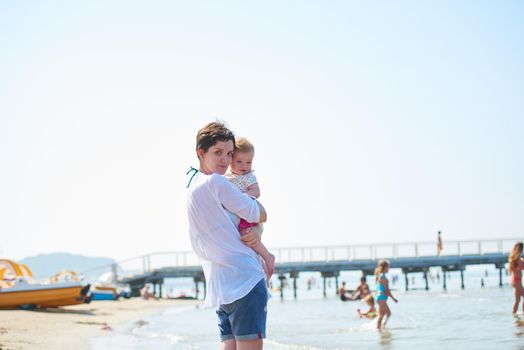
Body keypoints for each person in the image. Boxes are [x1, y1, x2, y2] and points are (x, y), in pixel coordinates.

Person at [187, 122, 269, 350]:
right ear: (201, 153)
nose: (225, 160)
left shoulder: (193, 187)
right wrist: (258, 222)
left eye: (229, 153)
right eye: (218, 152)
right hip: (244, 280)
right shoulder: (217, 182)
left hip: (221, 287)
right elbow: (261, 213)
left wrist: (255, 231)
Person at [225, 137, 275, 280]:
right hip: (238, 213)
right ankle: (263, 265)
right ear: (231, 160)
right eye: (239, 161)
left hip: (246, 213)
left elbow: (256, 191)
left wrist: (243, 197)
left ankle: (267, 256)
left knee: (246, 234)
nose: (244, 165)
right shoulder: (226, 178)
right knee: (247, 242)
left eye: (248, 162)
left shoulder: (248, 177)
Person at [375, 260, 398, 329]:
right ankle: (378, 329)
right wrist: (393, 298)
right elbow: (387, 291)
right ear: (384, 268)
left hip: (381, 297)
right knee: (381, 315)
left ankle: (382, 327)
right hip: (382, 297)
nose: (389, 269)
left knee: (388, 313)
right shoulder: (383, 277)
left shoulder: (380, 276)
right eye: (388, 267)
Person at [508, 242, 524, 314]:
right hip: (517, 281)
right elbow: (522, 266)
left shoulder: (515, 259)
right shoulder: (517, 259)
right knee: (518, 300)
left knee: (517, 300)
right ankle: (518, 313)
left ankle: (514, 314)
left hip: (516, 280)